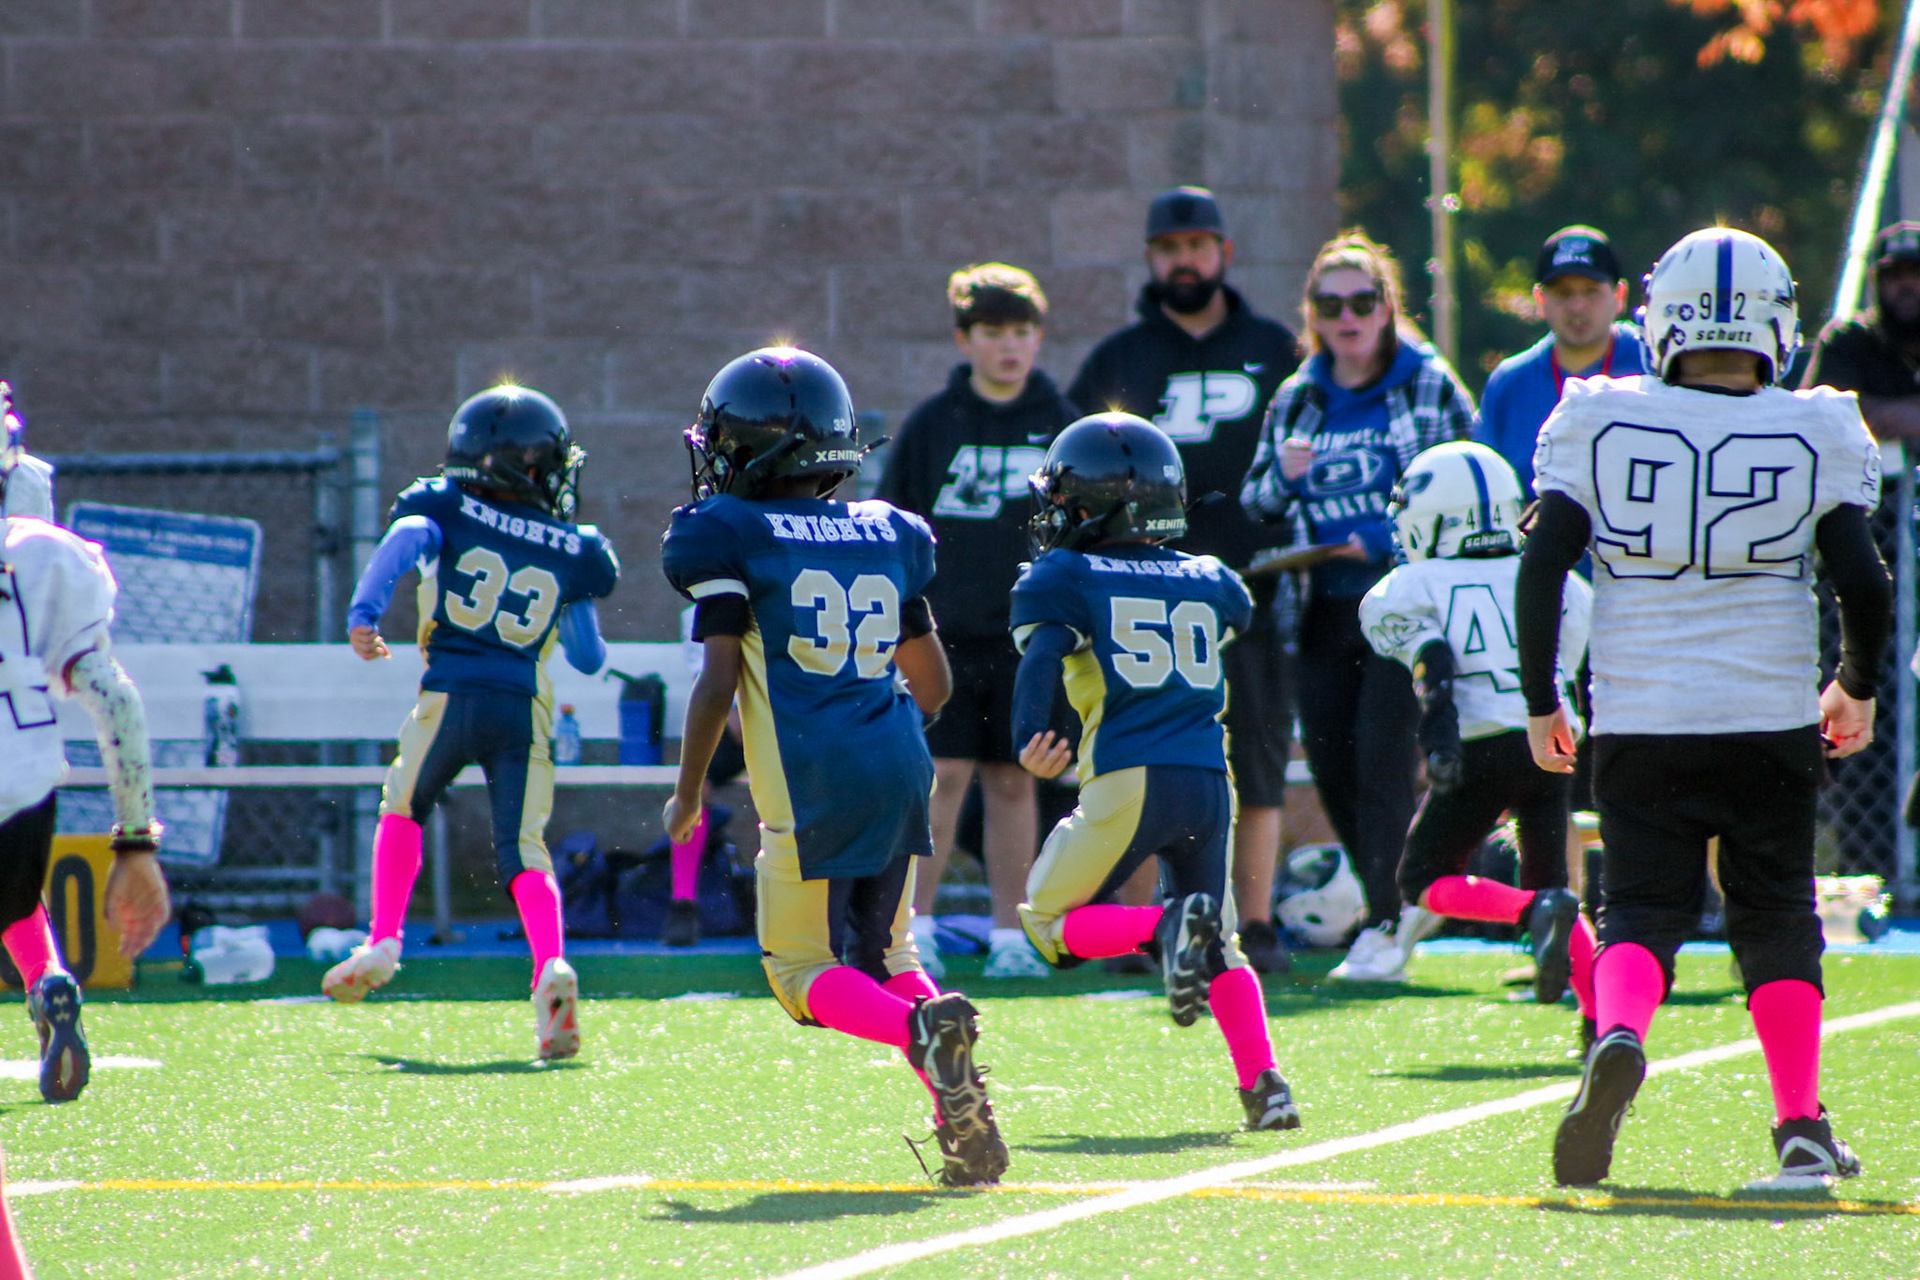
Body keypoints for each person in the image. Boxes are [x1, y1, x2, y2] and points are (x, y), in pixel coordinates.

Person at [1518, 227, 1889, 1187]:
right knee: (1776, 915)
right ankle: (1799, 1124)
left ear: (1660, 318)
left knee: (1640, 908)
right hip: (1767, 714)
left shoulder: (1599, 414)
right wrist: (1855, 683)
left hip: (1642, 712)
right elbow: (1863, 580)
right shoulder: (1816, 424)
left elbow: (1543, 565)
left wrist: (1540, 698)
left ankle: (1620, 1032)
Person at [661, 347, 1008, 1188]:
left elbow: (716, 683)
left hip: (814, 776)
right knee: (891, 956)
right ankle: (965, 1126)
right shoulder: (888, 531)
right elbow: (935, 685)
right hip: (901, 756)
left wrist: (688, 792)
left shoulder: (725, 532)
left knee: (800, 971)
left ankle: (920, 1032)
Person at [1010, 413, 1300, 1130]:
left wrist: (1029, 735)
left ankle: (1163, 927)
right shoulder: (1211, 578)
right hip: (1209, 781)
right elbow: (1232, 619)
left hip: (1128, 776)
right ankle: (1266, 1085)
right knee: (1221, 943)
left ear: (1092, 506)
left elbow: (1043, 658)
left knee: (1046, 921)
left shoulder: (1066, 575)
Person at [321, 386, 619, 1062]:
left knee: (404, 805)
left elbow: (404, 540)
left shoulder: (444, 506)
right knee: (525, 848)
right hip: (523, 708)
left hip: (451, 696)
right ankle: (551, 965)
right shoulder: (573, 546)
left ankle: (386, 941)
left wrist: (364, 614)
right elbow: (588, 657)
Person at [1065, 187, 1303, 973]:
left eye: (1197, 245)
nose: (1185, 261)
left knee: (1257, 761)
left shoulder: (1276, 349)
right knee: (1139, 756)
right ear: (1150, 259)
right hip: (1137, 600)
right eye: (1170, 249)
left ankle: (1255, 924)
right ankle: (1144, 927)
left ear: (1225, 252)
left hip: (1249, 588)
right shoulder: (1118, 360)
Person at [1241, 230, 1474, 970]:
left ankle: (1386, 918)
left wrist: (1378, 536)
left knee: (1382, 761)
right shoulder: (1299, 395)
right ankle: (1393, 901)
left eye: (1362, 301)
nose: (1347, 317)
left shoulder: (1428, 383)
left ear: (1387, 307)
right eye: (1330, 303)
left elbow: (1472, 487)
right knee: (1332, 765)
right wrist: (1283, 476)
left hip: (1406, 605)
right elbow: (1256, 503)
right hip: (1322, 607)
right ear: (1311, 312)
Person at [877, 263, 1076, 980]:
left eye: (1021, 331)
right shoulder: (934, 424)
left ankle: (1013, 935)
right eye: (993, 331)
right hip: (944, 636)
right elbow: (895, 528)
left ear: (1039, 337)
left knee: (1016, 780)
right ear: (965, 339)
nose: (1009, 345)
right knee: (941, 776)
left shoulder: (1063, 424)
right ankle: (915, 930)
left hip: (1032, 639)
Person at [1355, 441, 1596, 1014]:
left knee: (1421, 879)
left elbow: (1432, 663)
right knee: (1555, 891)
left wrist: (1437, 744)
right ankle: (1602, 1018)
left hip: (1480, 743)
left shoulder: (1411, 586)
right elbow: (1566, 667)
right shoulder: (1563, 582)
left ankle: (1527, 913)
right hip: (1552, 742)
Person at [0, 403, 172, 1105]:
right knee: (10, 897)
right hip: (22, 775)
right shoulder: (44, 558)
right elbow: (118, 701)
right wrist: (134, 844)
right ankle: (46, 980)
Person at [1474, 226, 1649, 498]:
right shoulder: (1508, 384)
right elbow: (1487, 490)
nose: (1577, 306)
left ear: (1619, 296)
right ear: (1540, 299)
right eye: (1563, 293)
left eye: (1591, 291)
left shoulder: (1653, 364)